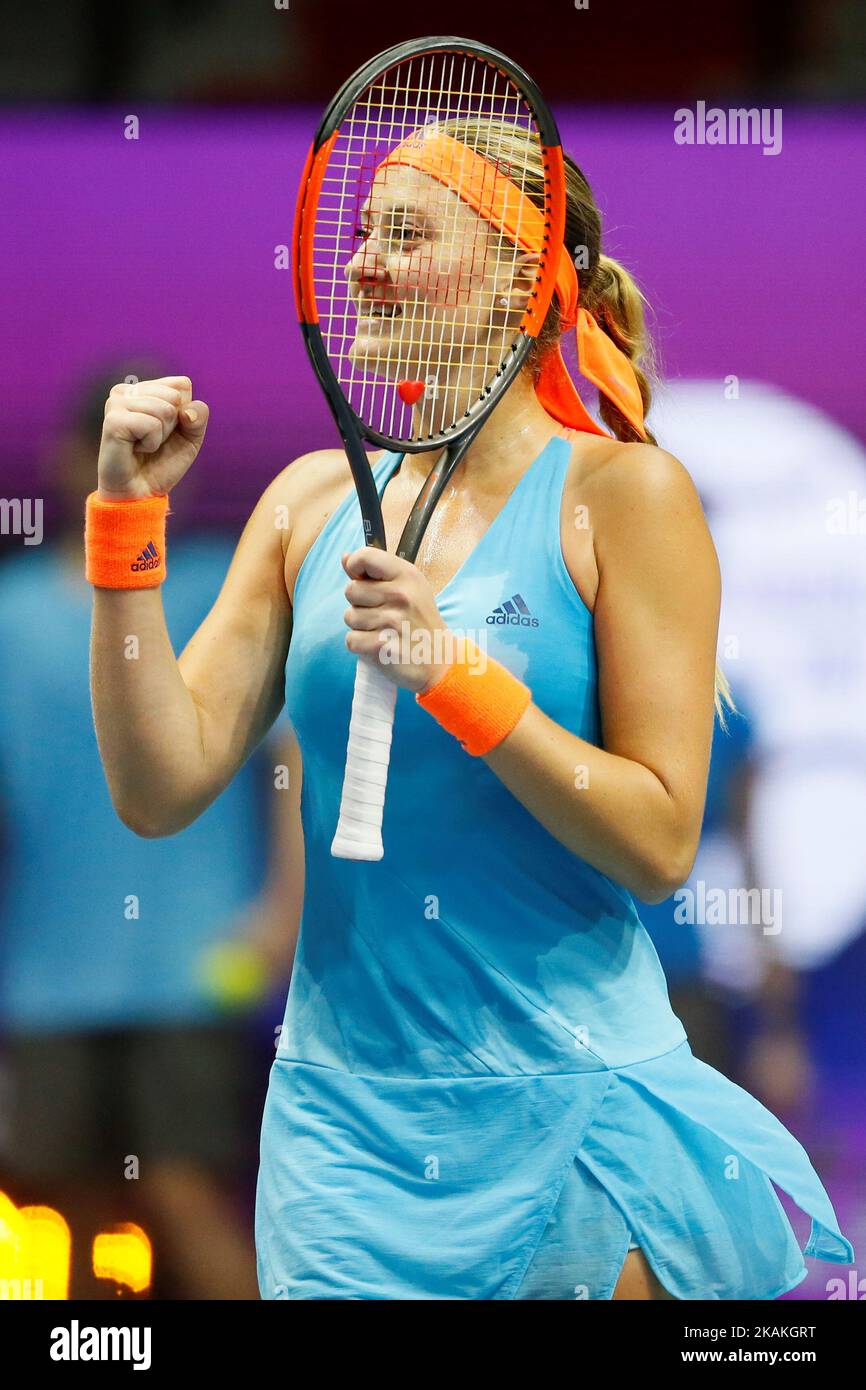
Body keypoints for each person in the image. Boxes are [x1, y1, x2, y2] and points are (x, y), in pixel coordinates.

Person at [87, 122, 853, 1300]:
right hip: (341, 1139)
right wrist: (123, 528)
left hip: (576, 1112)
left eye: (406, 234)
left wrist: (454, 668)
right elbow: (156, 787)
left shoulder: (626, 494)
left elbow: (654, 844)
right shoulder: (303, 503)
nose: (360, 265)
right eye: (356, 235)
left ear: (516, 272)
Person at [0, 370, 301, 1300]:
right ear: (69, 459)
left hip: (196, 968)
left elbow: (290, 766)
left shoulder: (223, 591)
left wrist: (282, 912)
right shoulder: (8, 611)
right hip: (44, 978)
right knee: (71, 1217)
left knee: (183, 1196)